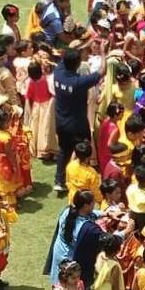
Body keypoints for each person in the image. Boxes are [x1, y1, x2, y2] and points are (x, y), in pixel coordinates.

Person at [54, 45, 108, 192]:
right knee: (84, 151)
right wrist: (103, 52)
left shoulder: (57, 72)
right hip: (78, 124)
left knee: (64, 150)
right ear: (78, 64)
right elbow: (102, 71)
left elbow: (66, 56)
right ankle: (82, 180)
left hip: (61, 121)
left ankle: (59, 181)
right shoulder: (79, 82)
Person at [45, 190, 106, 290]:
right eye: (93, 203)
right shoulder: (84, 227)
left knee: (57, 287)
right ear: (86, 206)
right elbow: (104, 239)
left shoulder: (67, 211)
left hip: (59, 254)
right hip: (69, 260)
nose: (94, 204)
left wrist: (104, 213)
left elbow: (89, 214)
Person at [0, 108, 22, 206]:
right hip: (4, 163)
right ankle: (8, 204)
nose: (9, 123)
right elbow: (9, 154)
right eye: (8, 122)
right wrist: (15, 166)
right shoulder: (6, 137)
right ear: (2, 123)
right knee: (6, 183)